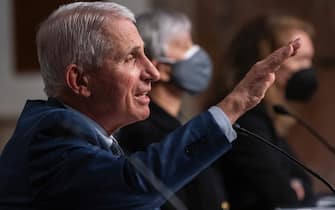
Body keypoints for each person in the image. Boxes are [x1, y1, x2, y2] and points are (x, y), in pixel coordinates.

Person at [0, 2, 300, 210]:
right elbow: (134, 186)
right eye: (131, 58)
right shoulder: (51, 137)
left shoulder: (86, 134)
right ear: (80, 81)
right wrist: (235, 103)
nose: (153, 72)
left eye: (146, 54)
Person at [116, 10, 228, 210]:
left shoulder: (176, 121)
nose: (196, 53)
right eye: (183, 46)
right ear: (161, 68)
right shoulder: (144, 133)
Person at [217, 14, 318, 210]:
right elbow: (282, 195)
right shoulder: (247, 119)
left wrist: (296, 184)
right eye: (301, 59)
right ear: (269, 59)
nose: (308, 69)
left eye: (310, 60)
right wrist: (291, 186)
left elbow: (304, 181)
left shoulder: (271, 115)